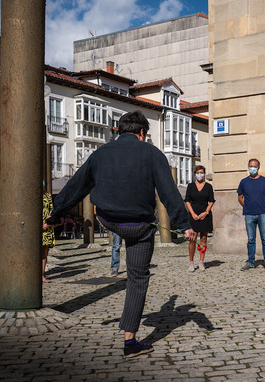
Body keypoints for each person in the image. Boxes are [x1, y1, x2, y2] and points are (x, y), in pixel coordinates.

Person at [43, 111, 195, 359]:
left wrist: (54, 215)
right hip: (139, 226)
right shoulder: (152, 154)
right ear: (143, 133)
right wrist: (184, 225)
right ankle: (130, 341)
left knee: (129, 250)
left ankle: (129, 337)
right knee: (137, 278)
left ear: (119, 130)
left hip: (108, 220)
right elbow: (168, 192)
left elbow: (77, 184)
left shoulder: (101, 153)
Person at [238, 158, 265, 272]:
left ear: (258, 168)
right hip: (249, 214)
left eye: (254, 166)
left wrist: (263, 206)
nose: (252, 168)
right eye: (250, 166)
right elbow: (240, 197)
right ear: (248, 167)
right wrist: (247, 206)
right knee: (251, 239)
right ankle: (250, 261)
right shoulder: (244, 182)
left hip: (263, 214)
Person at [185, 165, 215, 272]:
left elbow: (211, 201)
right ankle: (191, 262)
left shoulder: (208, 187)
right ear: (194, 174)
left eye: (201, 172)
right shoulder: (190, 186)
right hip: (193, 213)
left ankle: (201, 261)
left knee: (203, 239)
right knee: (192, 239)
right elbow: (187, 200)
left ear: (204, 173)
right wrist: (192, 213)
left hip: (204, 214)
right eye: (197, 173)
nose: (199, 175)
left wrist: (205, 212)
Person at [41, 191, 55, 283]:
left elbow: (51, 210)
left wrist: (48, 223)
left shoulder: (47, 195)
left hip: (46, 226)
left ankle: (42, 276)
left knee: (44, 252)